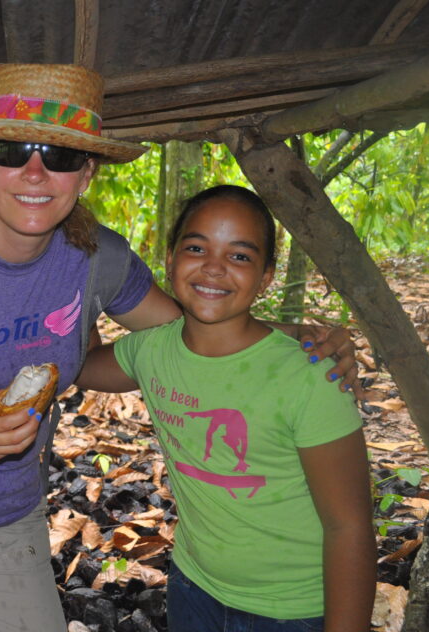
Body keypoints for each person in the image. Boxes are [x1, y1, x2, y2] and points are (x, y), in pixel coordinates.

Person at [0, 62, 358, 632]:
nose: (35, 173)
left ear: (85, 175)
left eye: (60, 157)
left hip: (6, 512)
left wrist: (301, 339)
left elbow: (198, 329)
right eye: (12, 151)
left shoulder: (97, 257)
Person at [77, 185, 376, 632]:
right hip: (194, 587)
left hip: (292, 609)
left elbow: (349, 527)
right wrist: (68, 281)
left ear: (267, 277)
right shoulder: (150, 352)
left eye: (239, 256)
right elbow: (79, 367)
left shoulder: (309, 376)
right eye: (197, 248)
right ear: (171, 259)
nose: (214, 267)